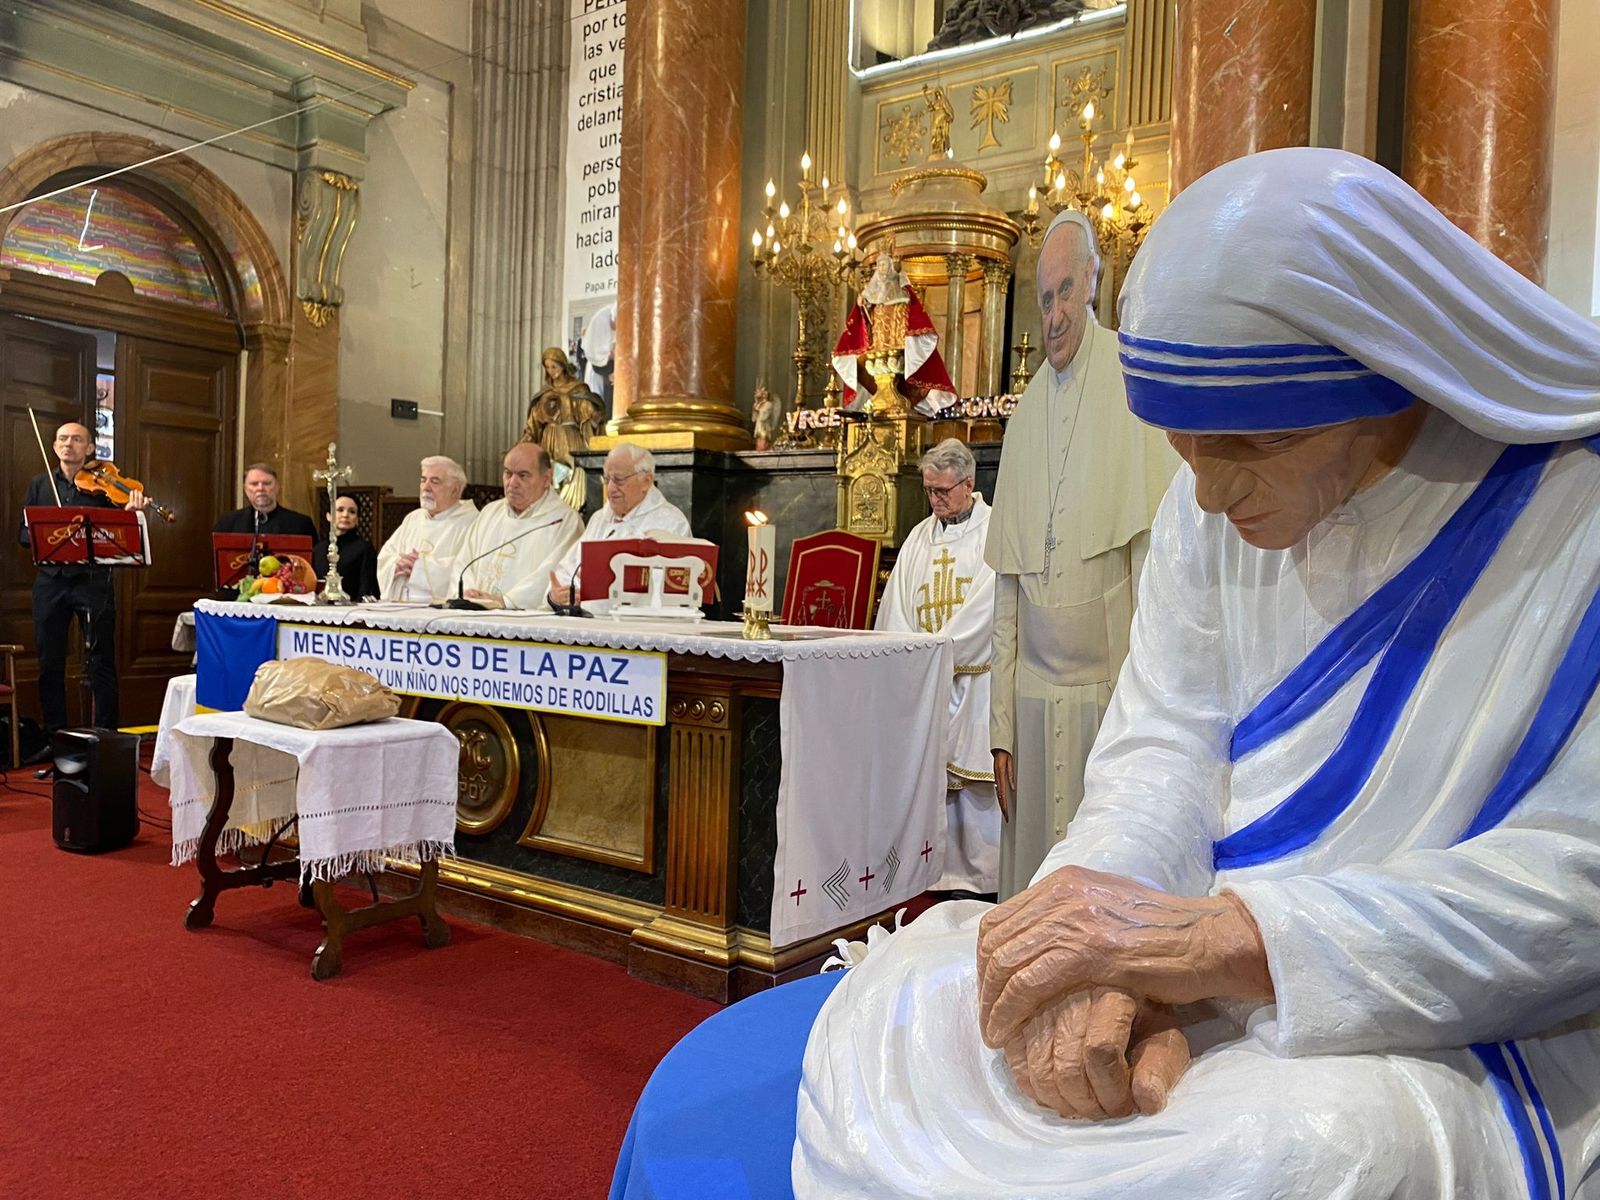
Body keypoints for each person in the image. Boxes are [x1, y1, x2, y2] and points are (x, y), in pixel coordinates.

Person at [781, 149, 1600, 1198]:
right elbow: (1159, 749)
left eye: (1246, 448)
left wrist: (1223, 945)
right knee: (900, 1004)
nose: (1206, 500)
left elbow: (1575, 885)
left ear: (1384, 379)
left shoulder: (1570, 521)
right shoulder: (1204, 511)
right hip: (1190, 943)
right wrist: (1098, 949)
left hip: (1448, 1018)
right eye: (1183, 452)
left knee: (1307, 1155)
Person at [986, 208, 1178, 898]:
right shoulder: (1025, 412)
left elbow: (1148, 571)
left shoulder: (1131, 384)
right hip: (1033, 703)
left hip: (1109, 697)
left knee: (1104, 884)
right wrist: (1001, 730)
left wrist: (1142, 725)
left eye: (1066, 290)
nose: (1056, 313)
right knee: (1033, 886)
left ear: (1094, 281)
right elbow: (1007, 591)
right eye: (1044, 297)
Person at [874, 438, 999, 895]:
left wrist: (943, 648)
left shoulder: (993, 529)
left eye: (943, 491)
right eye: (929, 491)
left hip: (975, 678)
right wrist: (916, 654)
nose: (935, 500)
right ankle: (934, 874)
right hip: (927, 681)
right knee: (933, 785)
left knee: (974, 785)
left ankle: (983, 879)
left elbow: (992, 602)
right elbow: (897, 606)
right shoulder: (918, 536)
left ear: (969, 484)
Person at [18, 421, 147, 743]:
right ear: (54, 446)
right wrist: (45, 536)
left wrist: (132, 514)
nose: (68, 444)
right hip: (51, 581)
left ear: (90, 448)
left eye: (77, 439)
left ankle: (106, 738)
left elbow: (122, 535)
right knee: (50, 661)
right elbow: (23, 533)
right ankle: (54, 736)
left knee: (101, 660)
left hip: (93, 581)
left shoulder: (104, 485)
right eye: (63, 439)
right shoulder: (40, 484)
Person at [547, 443, 691, 607]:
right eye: (607, 479)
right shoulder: (600, 519)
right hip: (589, 623)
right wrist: (558, 596)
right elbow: (567, 571)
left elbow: (676, 589)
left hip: (639, 627)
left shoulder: (670, 522)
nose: (610, 488)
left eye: (619, 480)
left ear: (646, 481)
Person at [455, 442, 582, 610]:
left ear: (546, 479)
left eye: (523, 475)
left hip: (527, 623)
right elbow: (464, 561)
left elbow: (553, 574)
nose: (512, 483)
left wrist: (505, 601)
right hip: (476, 614)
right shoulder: (490, 513)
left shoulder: (563, 520)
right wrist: (468, 593)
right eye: (508, 473)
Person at [831, 250, 957, 416]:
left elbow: (908, 307)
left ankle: (896, 395)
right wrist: (863, 304)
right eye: (879, 266)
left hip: (896, 342)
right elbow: (865, 314)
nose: (882, 269)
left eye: (884, 265)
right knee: (871, 365)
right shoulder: (873, 291)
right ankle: (882, 396)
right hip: (879, 343)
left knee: (895, 364)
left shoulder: (900, 289)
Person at [375, 456, 479, 603]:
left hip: (442, 617)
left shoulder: (472, 522)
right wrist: (397, 564)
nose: (426, 487)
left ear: (455, 490)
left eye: (435, 481)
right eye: (423, 480)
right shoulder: (413, 519)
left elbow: (469, 570)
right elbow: (385, 557)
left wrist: (420, 568)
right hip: (401, 608)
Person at [213, 463, 316, 538]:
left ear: (277, 487)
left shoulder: (301, 524)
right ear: (245, 489)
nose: (260, 488)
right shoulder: (227, 524)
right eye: (254, 484)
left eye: (266, 483)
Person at [312, 494, 379, 601]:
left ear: (357, 519)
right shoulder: (318, 549)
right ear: (328, 516)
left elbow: (367, 588)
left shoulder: (364, 549)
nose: (345, 515)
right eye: (340, 510)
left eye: (352, 512)